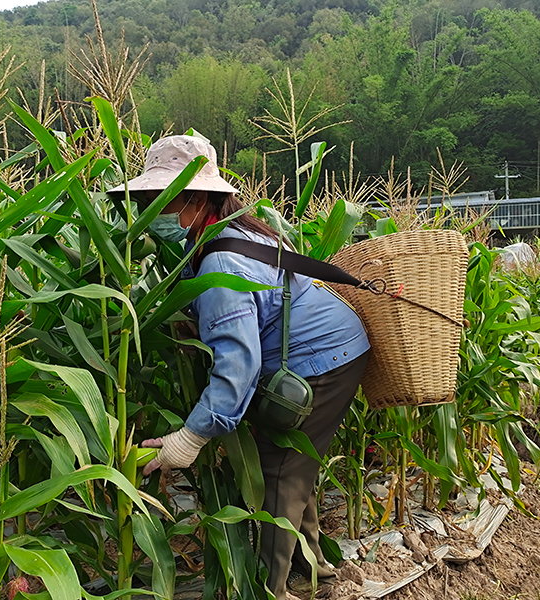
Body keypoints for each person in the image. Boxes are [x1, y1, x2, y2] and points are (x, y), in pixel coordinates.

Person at [112, 135, 370, 600]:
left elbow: (239, 362)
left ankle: (269, 591)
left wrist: (190, 437)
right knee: (293, 462)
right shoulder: (226, 233)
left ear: (191, 199)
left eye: (157, 201)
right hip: (327, 350)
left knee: (278, 471)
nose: (151, 213)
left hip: (323, 360)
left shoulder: (222, 258)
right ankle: (308, 571)